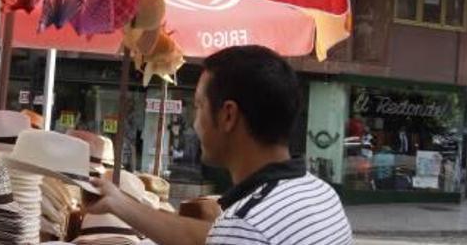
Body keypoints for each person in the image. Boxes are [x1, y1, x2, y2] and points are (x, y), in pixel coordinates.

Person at [86, 45, 353, 245]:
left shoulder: (247, 224)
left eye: (199, 106)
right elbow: (208, 238)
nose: (194, 124)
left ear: (228, 115)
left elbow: (232, 234)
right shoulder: (320, 193)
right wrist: (118, 202)